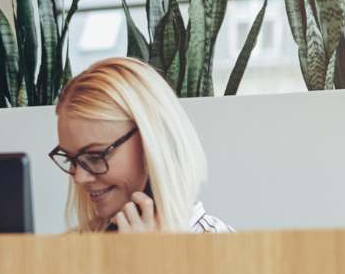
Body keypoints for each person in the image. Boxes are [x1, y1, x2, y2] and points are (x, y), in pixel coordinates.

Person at [52, 56, 234, 233]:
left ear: (151, 144)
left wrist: (148, 251)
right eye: (70, 160)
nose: (79, 178)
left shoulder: (223, 245)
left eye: (95, 156)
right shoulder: (73, 246)